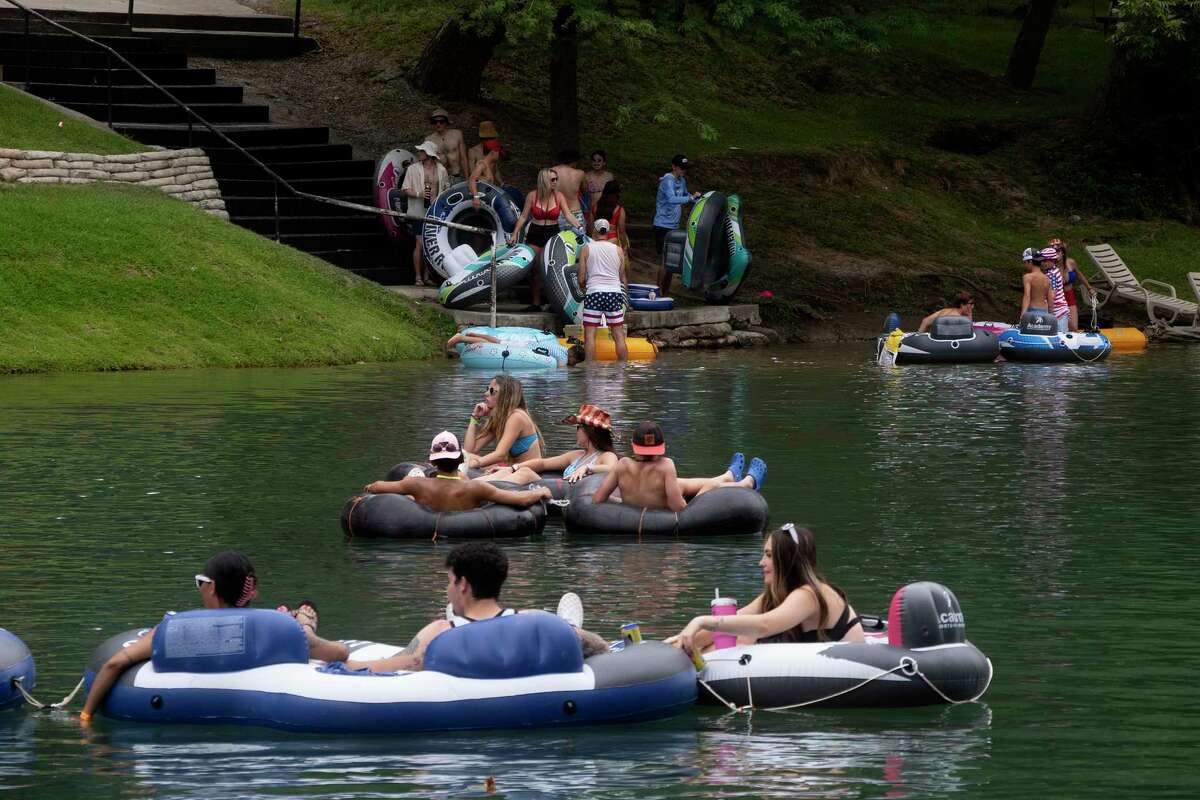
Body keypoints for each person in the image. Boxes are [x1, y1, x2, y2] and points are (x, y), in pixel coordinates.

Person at [78, 552, 349, 724]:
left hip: (176, 716)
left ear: (212, 587)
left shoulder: (173, 629)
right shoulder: (276, 629)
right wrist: (304, 630)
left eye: (200, 582)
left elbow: (115, 664)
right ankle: (306, 621)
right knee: (304, 633)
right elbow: (339, 654)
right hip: (276, 678)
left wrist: (86, 715)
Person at [343, 542, 611, 672]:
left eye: (449, 582)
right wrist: (569, 632)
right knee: (567, 631)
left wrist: (333, 662)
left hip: (463, 661)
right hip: (535, 652)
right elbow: (601, 647)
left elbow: (395, 665)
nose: (447, 589)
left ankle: (464, 616)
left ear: (463, 585)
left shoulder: (438, 632)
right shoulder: (534, 620)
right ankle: (571, 623)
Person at [667, 524, 865, 654]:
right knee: (734, 638)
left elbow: (764, 625)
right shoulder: (776, 595)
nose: (761, 563)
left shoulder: (809, 595)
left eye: (769, 555)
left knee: (747, 637)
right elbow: (737, 620)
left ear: (788, 561)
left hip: (851, 669)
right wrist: (682, 643)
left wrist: (701, 621)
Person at [592, 422, 767, 512]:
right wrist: (692, 499)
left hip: (637, 506)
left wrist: (623, 501)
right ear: (662, 446)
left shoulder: (622, 465)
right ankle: (746, 484)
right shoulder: (665, 466)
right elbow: (678, 507)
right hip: (664, 512)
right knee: (710, 486)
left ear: (633, 445)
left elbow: (598, 498)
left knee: (680, 483)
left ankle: (727, 476)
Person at [364, 431, 551, 510]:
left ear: (431, 462)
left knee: (410, 494)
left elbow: (377, 486)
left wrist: (369, 489)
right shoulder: (474, 488)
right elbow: (519, 499)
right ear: (461, 459)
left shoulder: (416, 484)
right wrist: (541, 491)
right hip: (465, 538)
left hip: (428, 528)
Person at [481, 404, 619, 485]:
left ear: (591, 431)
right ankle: (481, 484)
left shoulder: (606, 455)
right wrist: (513, 468)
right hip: (561, 488)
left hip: (576, 493)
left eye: (578, 428)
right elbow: (543, 463)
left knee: (526, 473)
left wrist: (587, 468)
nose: (576, 431)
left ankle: (485, 487)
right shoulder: (576, 455)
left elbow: (612, 468)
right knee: (518, 470)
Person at [509, 168, 571, 309]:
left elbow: (568, 215)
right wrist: (514, 233)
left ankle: (551, 302)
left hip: (552, 232)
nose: (556, 182)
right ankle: (536, 302)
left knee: (551, 269)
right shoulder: (532, 196)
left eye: (556, 179)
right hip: (535, 232)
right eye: (552, 180)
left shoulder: (559, 196)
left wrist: (579, 226)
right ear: (544, 180)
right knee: (535, 269)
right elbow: (524, 216)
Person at [464, 374, 543, 469]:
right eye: (487, 389)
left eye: (492, 391)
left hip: (527, 471)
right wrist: (474, 418)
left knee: (466, 460)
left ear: (505, 396)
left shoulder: (516, 417)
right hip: (509, 468)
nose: (486, 393)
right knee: (464, 456)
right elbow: (470, 450)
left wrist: (473, 464)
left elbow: (499, 455)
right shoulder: (500, 418)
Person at [578, 218, 630, 361]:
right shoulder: (618, 250)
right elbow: (620, 276)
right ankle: (623, 369)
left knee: (590, 335)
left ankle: (590, 371)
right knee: (618, 335)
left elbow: (581, 278)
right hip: (614, 293)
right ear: (608, 231)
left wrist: (583, 287)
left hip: (594, 293)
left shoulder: (586, 248)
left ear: (594, 231)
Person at [403, 140, 450, 286]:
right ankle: (417, 276)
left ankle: (427, 275)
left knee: (431, 244)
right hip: (418, 211)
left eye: (422, 151)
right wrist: (419, 193)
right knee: (420, 243)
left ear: (429, 154)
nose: (419, 153)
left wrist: (440, 200)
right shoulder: (413, 169)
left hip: (435, 211)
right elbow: (405, 189)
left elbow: (447, 188)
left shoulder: (441, 170)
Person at [654, 155, 701, 296]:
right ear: (674, 167)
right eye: (681, 168)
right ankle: (657, 293)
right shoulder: (667, 180)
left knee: (671, 262)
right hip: (662, 225)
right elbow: (672, 199)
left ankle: (665, 294)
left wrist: (698, 200)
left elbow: (686, 196)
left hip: (674, 226)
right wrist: (690, 198)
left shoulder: (682, 181)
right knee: (664, 261)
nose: (683, 171)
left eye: (685, 169)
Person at [1048, 239, 1096, 331]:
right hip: (1057, 298)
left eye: (1058, 251)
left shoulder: (1071, 262)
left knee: (1074, 327)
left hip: (1069, 296)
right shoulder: (1050, 267)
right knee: (1061, 327)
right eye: (1053, 251)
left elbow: (1079, 275)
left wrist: (1089, 289)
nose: (1056, 253)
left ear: (1063, 252)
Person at [425, 108, 468, 182]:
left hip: (457, 176)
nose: (438, 124)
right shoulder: (429, 140)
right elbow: (428, 164)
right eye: (435, 122)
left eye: (441, 121)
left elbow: (463, 158)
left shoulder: (457, 134)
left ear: (446, 122)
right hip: (440, 178)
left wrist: (467, 178)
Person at [550, 150, 587, 232]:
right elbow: (584, 190)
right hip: (575, 213)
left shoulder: (550, 171)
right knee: (579, 242)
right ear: (574, 161)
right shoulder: (580, 173)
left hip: (556, 212)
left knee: (556, 242)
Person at [592, 180, 630, 251]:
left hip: (596, 239)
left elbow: (590, 226)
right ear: (617, 193)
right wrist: (624, 246)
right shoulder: (619, 209)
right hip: (612, 240)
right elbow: (622, 231)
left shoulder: (595, 207)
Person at [1041, 246, 1071, 333]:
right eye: (1042, 260)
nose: (1042, 263)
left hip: (1058, 312)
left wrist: (1050, 315)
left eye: (1045, 260)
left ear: (1053, 260)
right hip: (1058, 311)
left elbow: (1052, 295)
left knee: (1061, 337)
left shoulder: (1052, 274)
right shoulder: (1053, 271)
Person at [468, 140, 504, 209]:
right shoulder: (482, 164)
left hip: (485, 199)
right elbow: (472, 179)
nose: (499, 154)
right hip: (478, 201)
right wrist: (476, 197)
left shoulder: (488, 165)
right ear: (493, 152)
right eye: (498, 152)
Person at [1020, 247, 1055, 317]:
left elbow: (1027, 296)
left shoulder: (1028, 277)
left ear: (1030, 261)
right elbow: (1050, 300)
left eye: (1025, 262)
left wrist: (1022, 315)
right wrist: (1051, 316)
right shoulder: (1047, 279)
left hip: (1031, 311)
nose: (1025, 265)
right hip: (1044, 312)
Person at [584, 150, 614, 221]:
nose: (596, 163)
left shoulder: (609, 176)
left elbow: (613, 195)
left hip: (606, 210)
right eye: (594, 160)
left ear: (604, 162)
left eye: (599, 160)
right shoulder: (586, 176)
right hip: (591, 211)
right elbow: (583, 195)